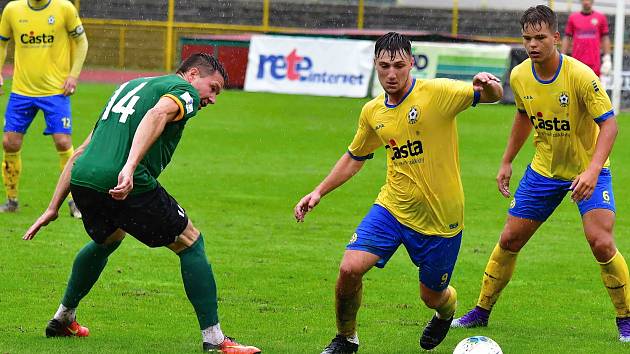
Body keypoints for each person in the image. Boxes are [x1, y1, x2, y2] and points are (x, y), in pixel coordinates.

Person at [23, 53, 261, 353]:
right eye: (213, 88)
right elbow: (157, 115)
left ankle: (63, 317)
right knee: (191, 243)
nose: (213, 99)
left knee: (109, 239)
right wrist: (130, 167)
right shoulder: (182, 90)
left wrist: (53, 207)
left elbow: (83, 148)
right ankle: (215, 339)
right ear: (192, 75)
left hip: (84, 178)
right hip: (123, 179)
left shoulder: (129, 86)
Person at [293, 32, 503, 353]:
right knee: (349, 269)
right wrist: (319, 191)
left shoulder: (438, 93)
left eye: (399, 66)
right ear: (375, 65)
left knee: (432, 296)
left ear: (412, 64)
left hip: (440, 219)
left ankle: (446, 311)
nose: (391, 74)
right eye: (384, 66)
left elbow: (492, 95)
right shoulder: (373, 112)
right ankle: (346, 338)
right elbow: (355, 156)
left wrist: (487, 85)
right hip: (392, 209)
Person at [452, 5, 630, 343]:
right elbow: (523, 115)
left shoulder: (579, 75)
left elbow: (610, 124)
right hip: (544, 170)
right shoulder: (520, 75)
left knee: (601, 243)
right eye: (527, 38)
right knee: (509, 240)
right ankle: (481, 311)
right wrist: (507, 161)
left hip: (587, 171)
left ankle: (627, 320)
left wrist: (593, 169)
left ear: (557, 38)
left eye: (540, 37)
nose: (533, 44)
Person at [0, 0, 87, 217]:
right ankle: (11, 201)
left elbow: (82, 42)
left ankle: (73, 201)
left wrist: (73, 75)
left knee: (63, 141)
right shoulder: (12, 10)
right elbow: (2, 43)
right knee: (9, 143)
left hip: (56, 92)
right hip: (21, 91)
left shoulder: (64, 8)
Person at [561, 0, 611, 77]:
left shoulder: (600, 17)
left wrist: (607, 58)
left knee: (593, 88)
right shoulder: (573, 18)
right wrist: (562, 57)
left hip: (594, 64)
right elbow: (567, 37)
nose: (586, 2)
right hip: (577, 63)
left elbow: (605, 38)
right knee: (576, 88)